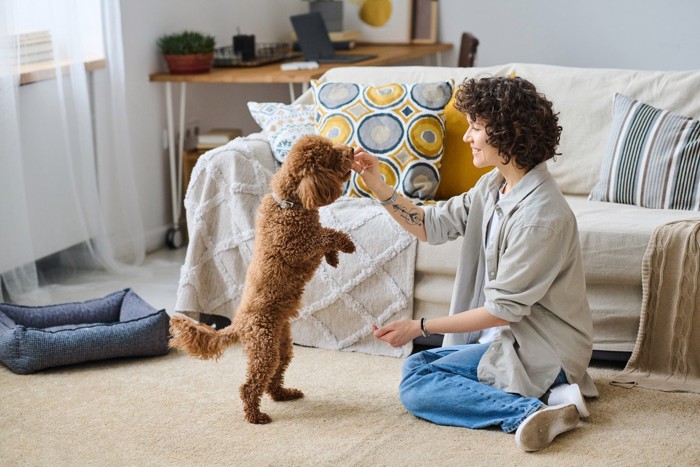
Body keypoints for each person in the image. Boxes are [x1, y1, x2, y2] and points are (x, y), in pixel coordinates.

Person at [351, 76, 598, 452]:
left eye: (476, 128)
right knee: (417, 369)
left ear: (508, 133)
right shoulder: (493, 187)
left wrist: (418, 327)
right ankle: (553, 401)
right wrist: (379, 186)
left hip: (543, 349)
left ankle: (527, 411)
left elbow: (501, 310)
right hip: (507, 340)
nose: (467, 137)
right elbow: (429, 226)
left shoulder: (541, 217)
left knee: (416, 388)